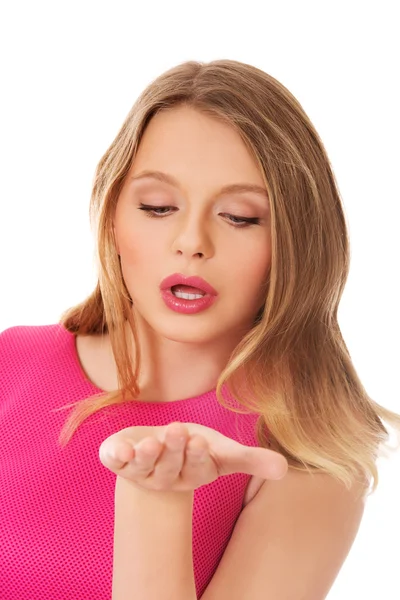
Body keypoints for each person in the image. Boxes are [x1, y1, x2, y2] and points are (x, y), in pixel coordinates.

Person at [1, 59, 399, 600]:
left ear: (296, 244)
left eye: (239, 217)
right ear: (114, 216)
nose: (192, 242)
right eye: (158, 206)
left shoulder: (307, 451)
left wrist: (157, 497)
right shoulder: (10, 361)